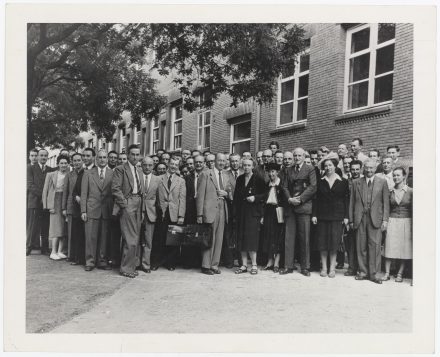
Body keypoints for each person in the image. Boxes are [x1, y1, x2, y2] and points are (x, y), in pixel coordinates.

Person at [349, 159, 390, 284]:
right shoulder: (356, 182)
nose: (368, 170)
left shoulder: (382, 182)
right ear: (363, 168)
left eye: (371, 168)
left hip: (375, 219)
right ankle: (363, 272)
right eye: (366, 168)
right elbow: (351, 203)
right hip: (360, 218)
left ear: (375, 168)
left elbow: (386, 203)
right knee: (361, 246)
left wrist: (385, 220)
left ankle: (374, 274)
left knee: (375, 246)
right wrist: (351, 219)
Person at [281, 147, 317, 276]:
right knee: (289, 237)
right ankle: (288, 266)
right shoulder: (288, 170)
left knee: (304, 238)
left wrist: (300, 199)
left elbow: (313, 187)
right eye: (294, 156)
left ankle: (305, 267)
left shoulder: (310, 169)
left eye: (299, 156)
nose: (296, 158)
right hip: (290, 207)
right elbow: (284, 186)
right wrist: (289, 199)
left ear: (303, 156)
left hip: (304, 207)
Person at [311, 158, 349, 278]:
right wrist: (314, 215)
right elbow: (316, 199)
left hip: (337, 216)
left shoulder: (343, 181)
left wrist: (346, 216)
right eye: (326, 166)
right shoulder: (320, 181)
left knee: (334, 243)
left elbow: (346, 199)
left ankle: (332, 268)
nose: (328, 167)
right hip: (322, 216)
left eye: (330, 165)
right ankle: (324, 268)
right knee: (322, 243)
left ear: (335, 166)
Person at [112, 144, 144, 278]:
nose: (135, 157)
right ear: (128, 155)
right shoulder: (120, 169)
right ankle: (125, 268)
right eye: (133, 154)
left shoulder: (139, 170)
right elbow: (115, 188)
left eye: (137, 154)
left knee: (135, 237)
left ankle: (131, 266)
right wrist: (124, 204)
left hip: (138, 202)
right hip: (128, 203)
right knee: (130, 237)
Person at [197, 153, 231, 275]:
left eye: (224, 161)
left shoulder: (226, 175)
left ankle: (214, 265)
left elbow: (230, 192)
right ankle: (206, 265)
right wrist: (199, 214)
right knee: (209, 238)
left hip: (222, 208)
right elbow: (200, 196)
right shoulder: (206, 174)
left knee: (219, 237)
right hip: (209, 210)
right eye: (219, 160)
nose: (222, 163)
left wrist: (226, 194)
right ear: (214, 161)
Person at [80, 150, 113, 271]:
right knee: (90, 237)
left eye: (105, 157)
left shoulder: (112, 173)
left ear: (107, 159)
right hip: (91, 209)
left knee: (104, 237)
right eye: (100, 157)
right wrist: (83, 210)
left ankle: (102, 261)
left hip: (106, 210)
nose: (102, 160)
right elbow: (84, 194)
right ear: (96, 159)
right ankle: (90, 261)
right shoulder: (88, 173)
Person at [233, 159, 266, 275]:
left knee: (251, 239)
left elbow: (265, 195)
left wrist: (255, 198)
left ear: (253, 166)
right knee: (242, 239)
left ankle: (254, 264)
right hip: (242, 212)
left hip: (253, 213)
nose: (246, 167)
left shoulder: (259, 179)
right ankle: (244, 265)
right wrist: (235, 213)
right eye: (245, 165)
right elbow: (236, 196)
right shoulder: (240, 179)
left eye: (249, 165)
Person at [381, 167, 412, 283]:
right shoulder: (390, 192)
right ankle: (387, 273)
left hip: (406, 222)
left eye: (398, 175)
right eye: (394, 175)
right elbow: (386, 208)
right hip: (392, 221)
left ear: (404, 176)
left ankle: (400, 273)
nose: (396, 177)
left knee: (404, 248)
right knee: (389, 246)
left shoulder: (410, 191)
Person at [157, 157, 186, 270]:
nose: (174, 166)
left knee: (173, 239)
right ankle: (158, 262)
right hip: (161, 212)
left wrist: (181, 216)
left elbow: (182, 199)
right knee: (160, 238)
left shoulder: (181, 181)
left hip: (174, 212)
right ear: (168, 164)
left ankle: (170, 263)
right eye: (172, 164)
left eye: (176, 164)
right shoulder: (159, 178)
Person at [27, 149, 54, 255]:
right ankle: (28, 246)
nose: (43, 157)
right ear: (37, 156)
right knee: (32, 225)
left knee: (45, 225)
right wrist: (42, 196)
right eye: (41, 155)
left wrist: (46, 199)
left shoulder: (50, 170)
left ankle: (45, 248)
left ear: (47, 157)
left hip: (46, 203)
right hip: (34, 201)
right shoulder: (31, 168)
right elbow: (30, 185)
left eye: (45, 156)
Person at [42, 155, 69, 260]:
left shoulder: (69, 175)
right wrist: (48, 206)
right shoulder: (51, 174)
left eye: (65, 163)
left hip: (64, 201)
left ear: (68, 164)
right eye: (61, 163)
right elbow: (45, 190)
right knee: (55, 227)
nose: (63, 165)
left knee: (63, 227)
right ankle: (53, 251)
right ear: (58, 164)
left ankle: (60, 251)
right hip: (54, 201)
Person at [181, 155, 204, 269]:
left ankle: (200, 262)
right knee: (189, 234)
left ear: (203, 163)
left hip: (202, 209)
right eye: (196, 162)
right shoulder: (187, 177)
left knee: (201, 234)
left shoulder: (207, 176)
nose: (198, 164)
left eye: (201, 162)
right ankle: (188, 262)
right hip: (190, 209)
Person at [138, 157, 161, 273]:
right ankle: (136, 263)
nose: (147, 167)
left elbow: (159, 199)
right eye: (145, 165)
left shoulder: (157, 179)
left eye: (150, 165)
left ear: (153, 166)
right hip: (136, 211)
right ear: (141, 165)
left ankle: (146, 264)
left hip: (151, 213)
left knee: (148, 240)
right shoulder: (137, 177)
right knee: (136, 239)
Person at [261, 163, 285, 273]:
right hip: (268, 212)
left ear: (277, 172)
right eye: (269, 172)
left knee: (278, 237)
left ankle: (277, 262)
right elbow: (263, 201)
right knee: (268, 237)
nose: (271, 174)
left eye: (273, 171)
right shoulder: (267, 185)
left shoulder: (282, 184)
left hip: (279, 212)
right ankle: (270, 262)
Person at [62, 153, 84, 265]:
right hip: (71, 206)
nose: (77, 162)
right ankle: (71, 255)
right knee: (72, 233)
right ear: (72, 162)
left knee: (82, 233)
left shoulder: (86, 173)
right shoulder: (69, 175)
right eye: (74, 160)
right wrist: (64, 208)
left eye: (79, 160)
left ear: (82, 160)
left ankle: (81, 257)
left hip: (84, 206)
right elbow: (65, 192)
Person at [222, 153, 244, 268]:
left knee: (240, 234)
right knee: (228, 234)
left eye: (236, 161)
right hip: (229, 207)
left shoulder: (245, 173)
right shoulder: (225, 174)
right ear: (229, 162)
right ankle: (229, 261)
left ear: (240, 161)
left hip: (241, 208)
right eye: (232, 161)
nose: (235, 163)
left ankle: (241, 260)